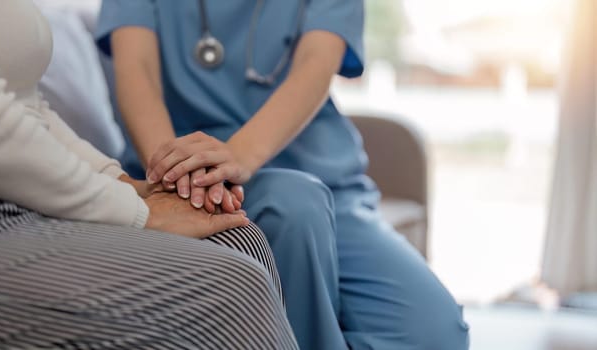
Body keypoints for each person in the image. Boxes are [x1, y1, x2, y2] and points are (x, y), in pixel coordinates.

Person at [0, 1, 299, 349]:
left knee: (238, 239)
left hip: (4, 200)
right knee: (234, 291)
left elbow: (26, 107)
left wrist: (126, 185)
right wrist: (135, 212)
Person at [96, 0, 470, 349]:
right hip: (189, 188)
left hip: (322, 178)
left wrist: (239, 154)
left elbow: (316, 63)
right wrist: (173, 171)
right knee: (293, 205)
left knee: (435, 333)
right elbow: (137, 72)